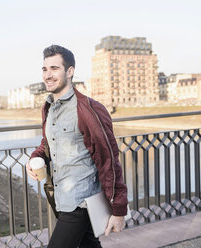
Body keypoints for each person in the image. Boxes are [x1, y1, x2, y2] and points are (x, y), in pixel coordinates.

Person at [26, 45, 128, 248]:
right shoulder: (49, 107)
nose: (48, 75)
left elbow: (108, 159)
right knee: (88, 244)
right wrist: (36, 157)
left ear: (70, 71)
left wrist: (119, 210)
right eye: (45, 69)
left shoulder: (88, 109)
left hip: (80, 201)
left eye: (54, 68)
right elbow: (48, 143)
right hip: (62, 197)